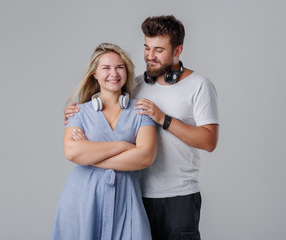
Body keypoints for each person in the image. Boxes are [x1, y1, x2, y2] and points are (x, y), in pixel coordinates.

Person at [65, 15, 219, 240]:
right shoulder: (136, 85)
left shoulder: (199, 85)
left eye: (158, 50)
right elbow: (108, 104)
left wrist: (163, 118)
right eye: (147, 48)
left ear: (178, 51)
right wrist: (76, 114)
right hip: (135, 194)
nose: (150, 55)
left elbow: (209, 141)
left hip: (179, 195)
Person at [53, 43, 157, 240]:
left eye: (119, 67)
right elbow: (72, 151)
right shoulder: (79, 112)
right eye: (106, 68)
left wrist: (91, 157)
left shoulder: (141, 111)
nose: (114, 73)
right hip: (83, 199)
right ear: (94, 73)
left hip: (126, 199)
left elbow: (144, 157)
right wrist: (123, 146)